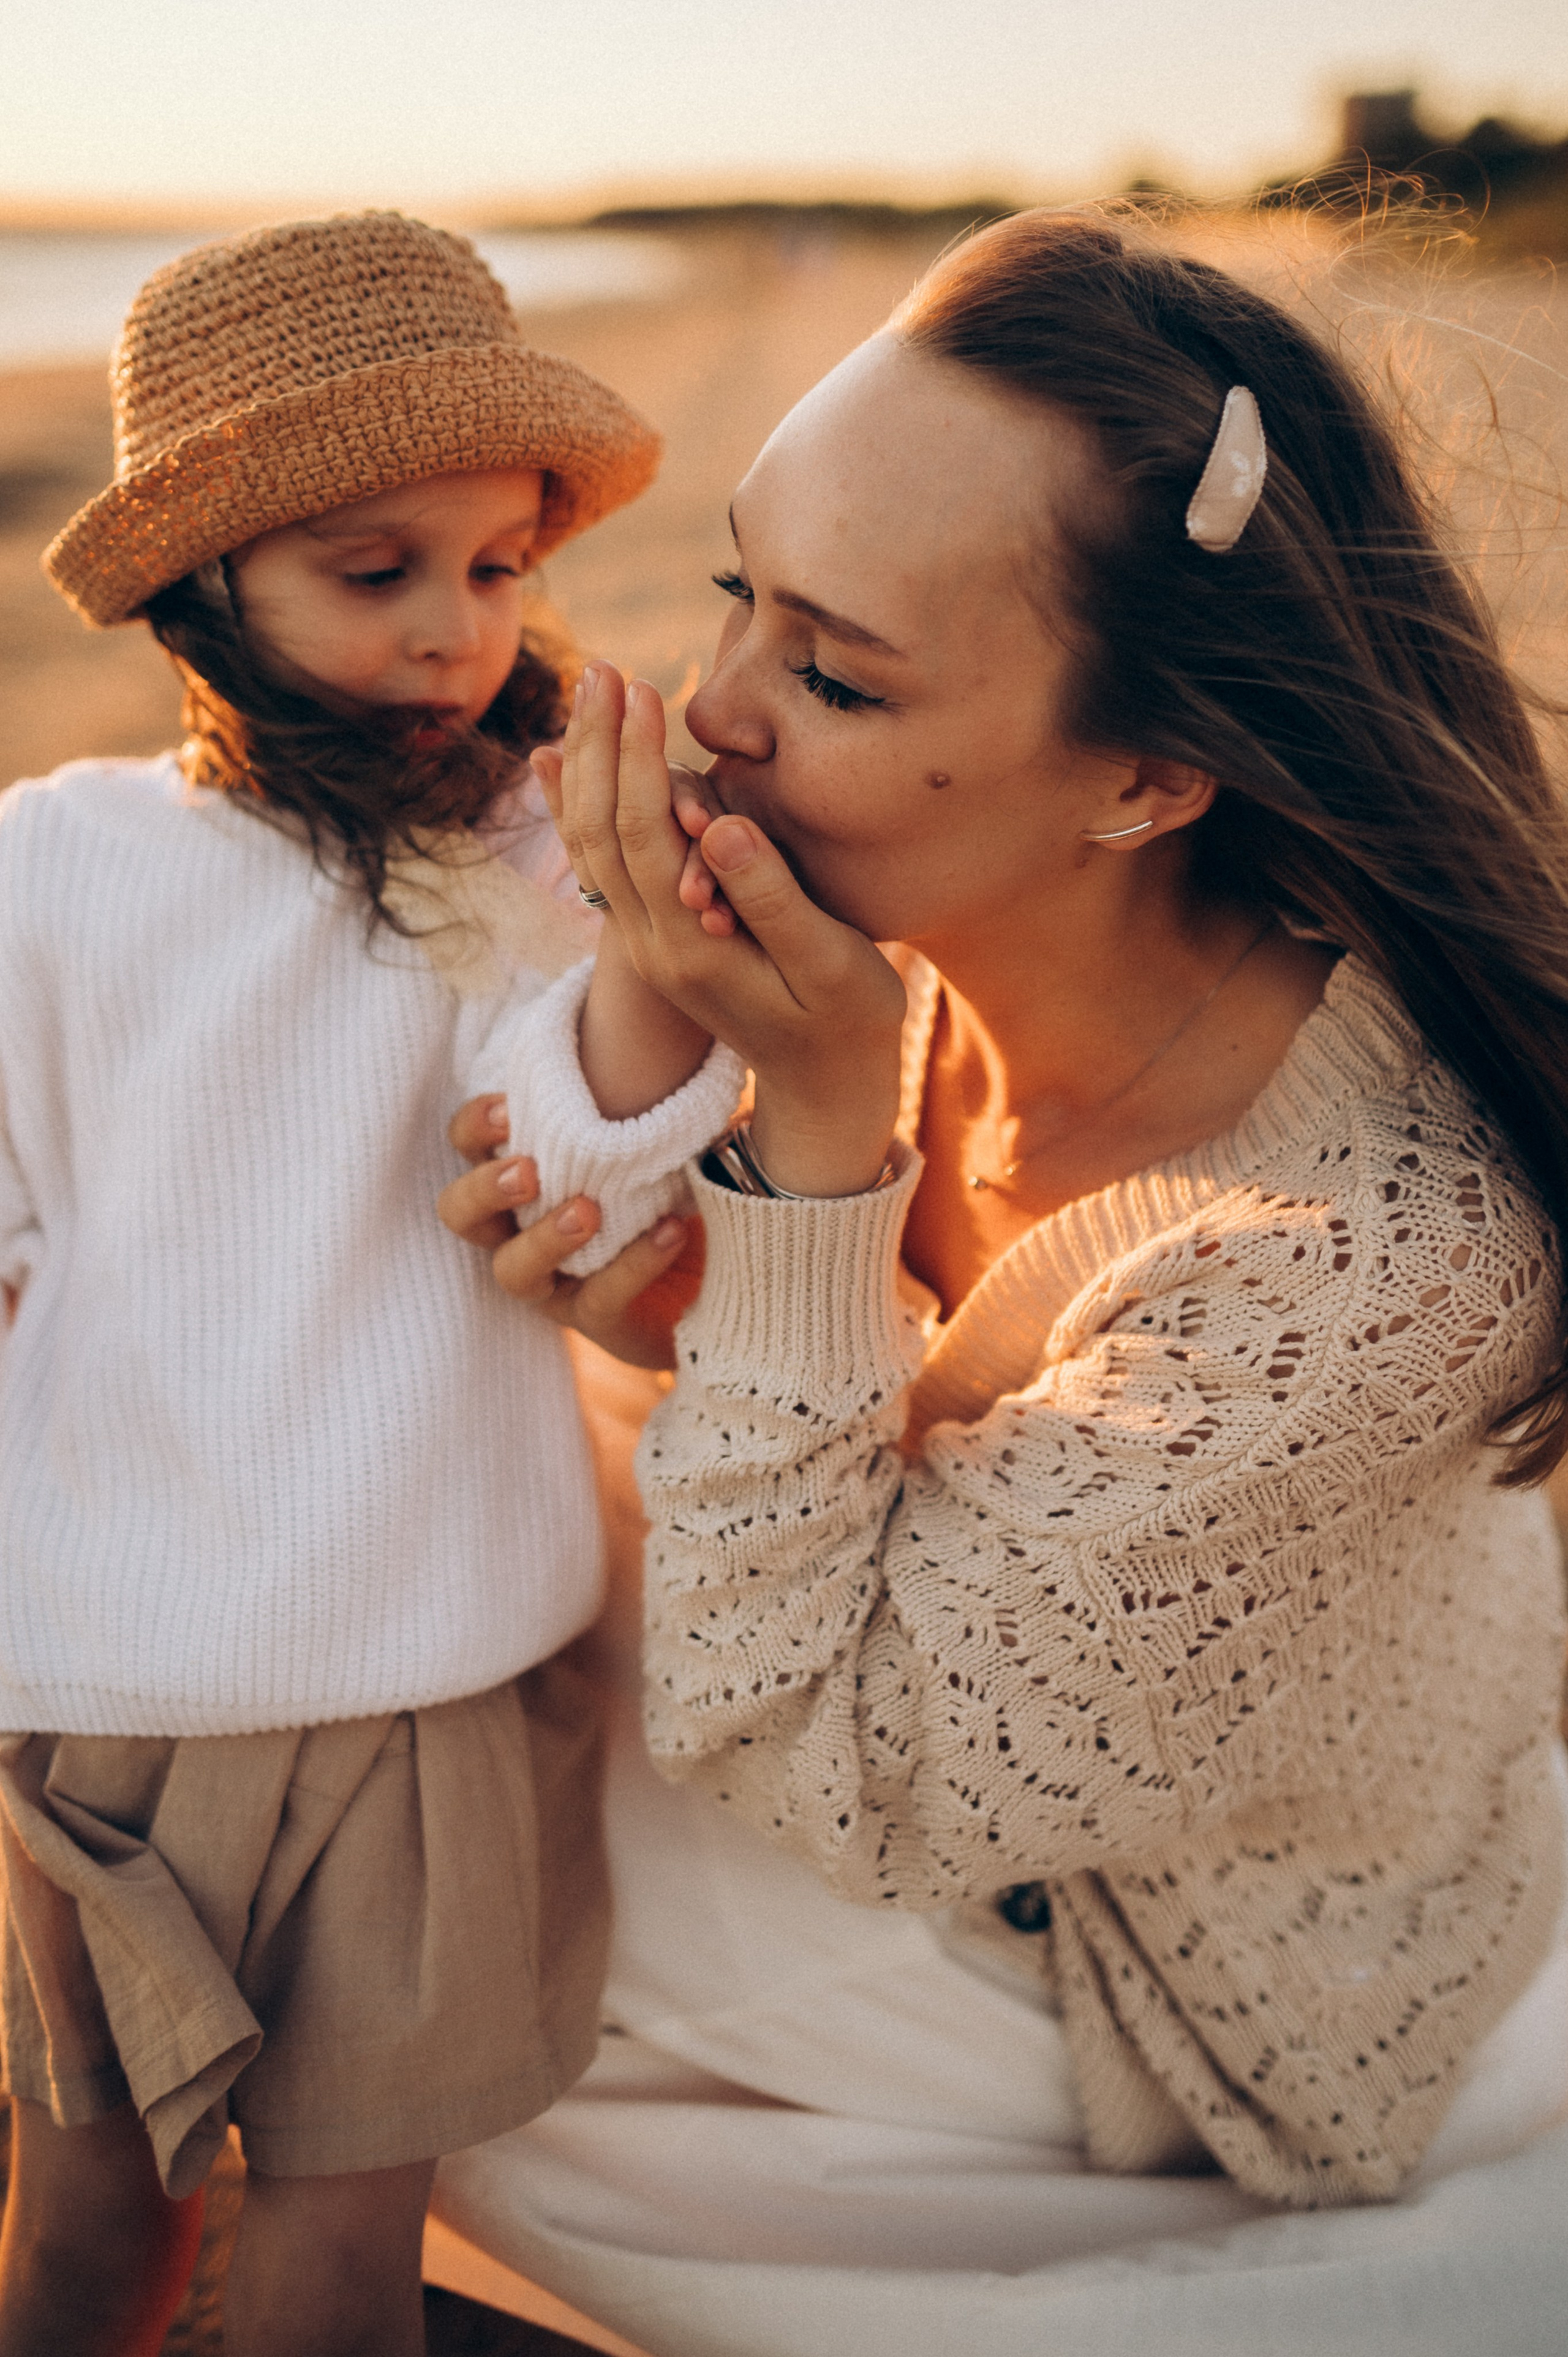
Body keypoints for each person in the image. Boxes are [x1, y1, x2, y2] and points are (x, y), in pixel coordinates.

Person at [435, 208, 1568, 2348]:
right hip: (958, 1698)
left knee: (398, 1928)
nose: (717, 716)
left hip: (1179, 1976)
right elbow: (866, 1381)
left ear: (1146, 778)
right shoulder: (938, 924)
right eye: (739, 595)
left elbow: (835, 1758)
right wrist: (680, 1287)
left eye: (837, 676)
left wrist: (811, 1145)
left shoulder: (1372, 1269)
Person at [0, 212, 744, 2357]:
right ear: (203, 579)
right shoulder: (55, 858)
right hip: (108, 1683)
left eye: (500, 567)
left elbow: (580, 1160)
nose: (454, 630)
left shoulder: (512, 855)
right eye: (377, 569)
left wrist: (636, 915)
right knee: (84, 2233)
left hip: (423, 1667)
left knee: (338, 2267)